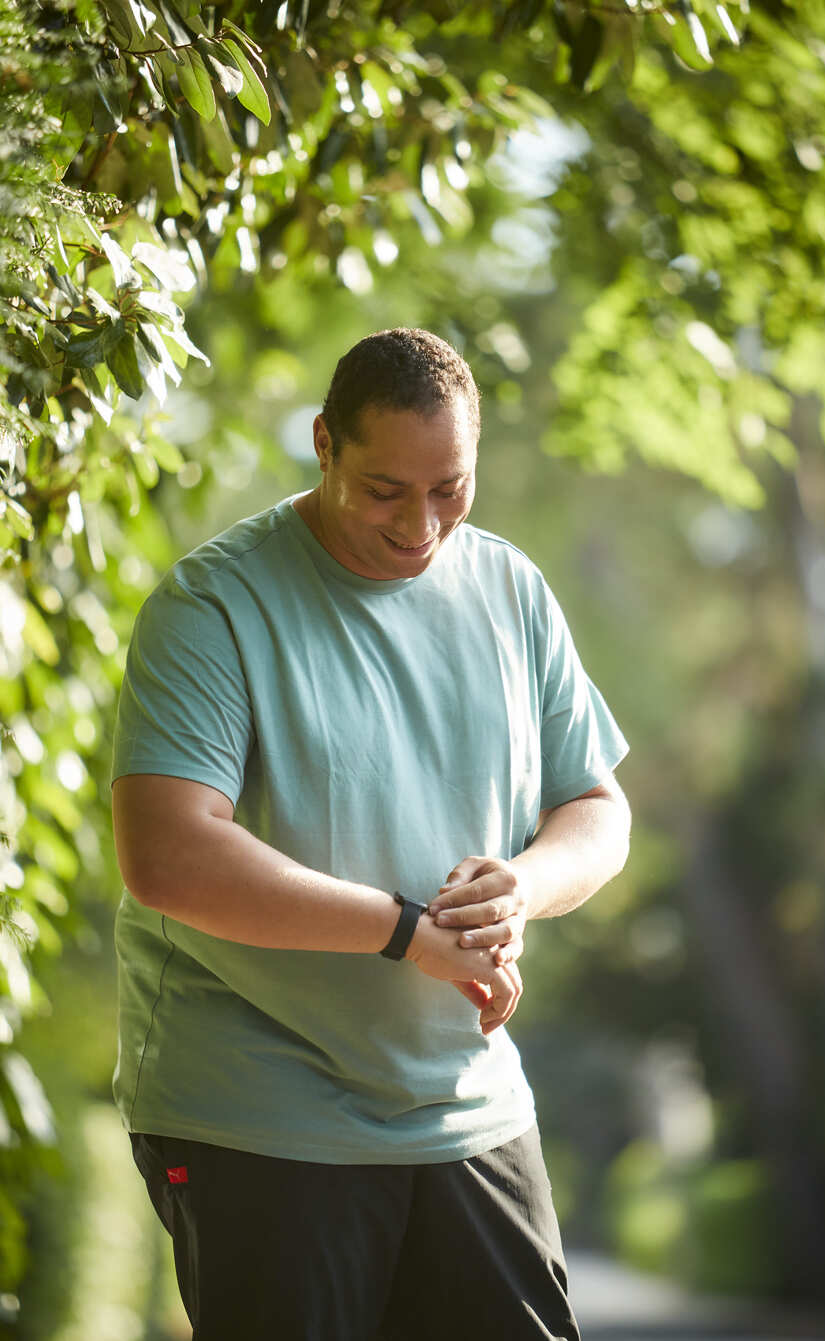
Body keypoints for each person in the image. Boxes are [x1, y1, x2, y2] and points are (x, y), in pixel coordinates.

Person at [112, 327, 630, 1340]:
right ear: (323, 445)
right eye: (387, 489)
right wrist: (407, 932)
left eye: (451, 488)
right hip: (259, 1109)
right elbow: (168, 855)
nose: (421, 526)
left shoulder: (511, 592)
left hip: (470, 1106)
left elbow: (595, 808)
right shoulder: (213, 604)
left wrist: (521, 886)